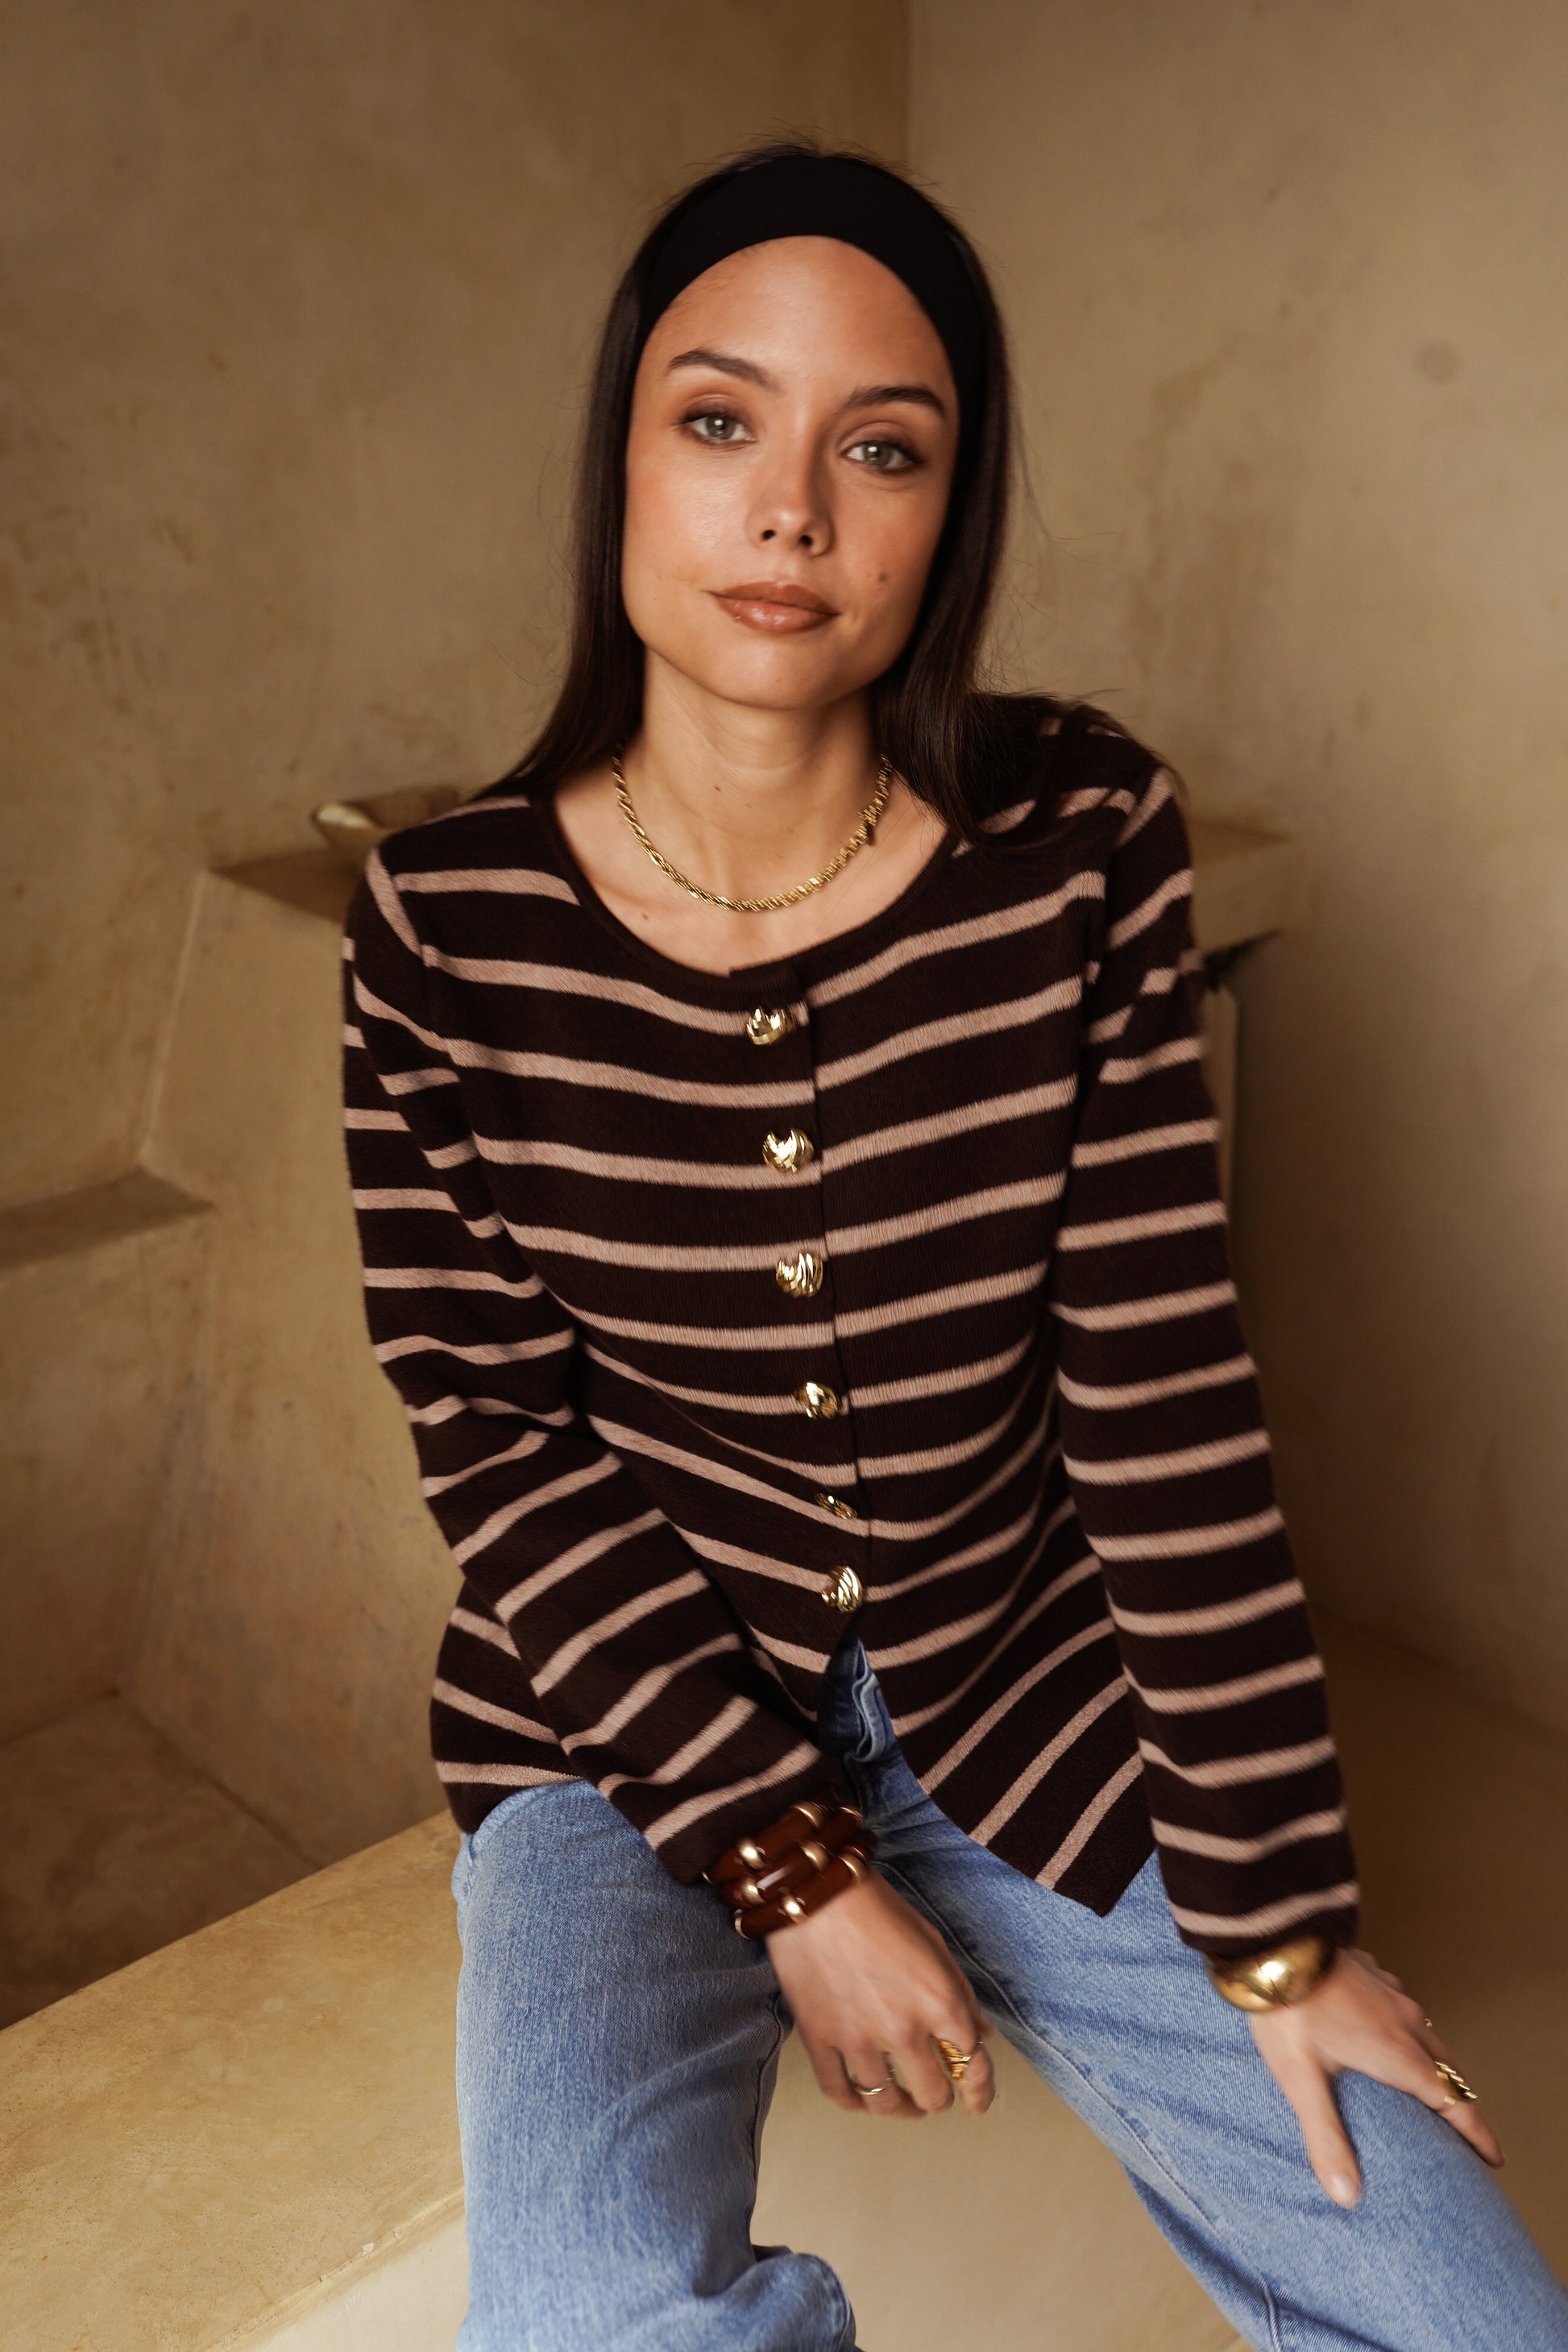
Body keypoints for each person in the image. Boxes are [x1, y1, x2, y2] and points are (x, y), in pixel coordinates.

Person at [342, 143, 1567, 2350]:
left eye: (880, 448)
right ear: (619, 458)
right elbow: (497, 1441)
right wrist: (788, 1865)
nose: (789, 510)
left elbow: (1160, 1395)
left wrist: (1278, 1926)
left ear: (951, 509)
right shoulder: (442, 929)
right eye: (719, 420)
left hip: (1032, 1711)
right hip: (615, 1755)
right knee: (588, 2327)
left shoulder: (1077, 838)